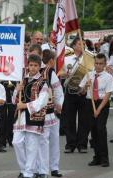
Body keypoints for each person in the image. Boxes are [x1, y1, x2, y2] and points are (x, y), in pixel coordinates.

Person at [12, 54, 50, 178]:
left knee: (32, 146)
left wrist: (25, 106)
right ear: (27, 66)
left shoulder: (43, 82)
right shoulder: (22, 80)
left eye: (35, 66)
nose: (32, 68)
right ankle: (25, 169)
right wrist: (17, 90)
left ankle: (28, 173)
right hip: (21, 117)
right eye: (31, 65)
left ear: (39, 67)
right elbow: (14, 101)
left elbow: (42, 101)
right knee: (16, 142)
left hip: (34, 117)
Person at [79, 53, 113, 167]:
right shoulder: (89, 75)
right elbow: (81, 92)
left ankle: (105, 158)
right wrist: (86, 86)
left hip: (101, 104)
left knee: (100, 129)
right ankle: (97, 157)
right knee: (93, 130)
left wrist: (98, 110)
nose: (98, 66)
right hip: (90, 103)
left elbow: (107, 95)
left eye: (101, 64)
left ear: (104, 64)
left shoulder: (108, 77)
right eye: (96, 63)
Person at [35, 50, 64, 178]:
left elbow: (57, 89)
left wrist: (59, 105)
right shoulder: (31, 72)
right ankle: (43, 170)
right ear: (51, 60)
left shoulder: (49, 72)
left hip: (52, 111)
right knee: (43, 141)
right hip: (40, 112)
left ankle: (54, 167)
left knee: (54, 140)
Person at [62, 37, 89, 153]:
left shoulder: (89, 59)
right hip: (70, 92)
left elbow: (92, 75)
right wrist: (66, 74)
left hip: (84, 92)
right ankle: (70, 144)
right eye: (79, 44)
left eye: (84, 44)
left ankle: (82, 144)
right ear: (73, 46)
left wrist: (84, 88)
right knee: (70, 119)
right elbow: (61, 73)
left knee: (84, 120)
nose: (82, 46)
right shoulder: (67, 59)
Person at [0, 80, 16, 152]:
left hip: (11, 101)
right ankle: (1, 143)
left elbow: (13, 87)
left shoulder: (13, 75)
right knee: (1, 123)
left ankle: (11, 140)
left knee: (11, 122)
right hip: (1, 102)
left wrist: (10, 84)